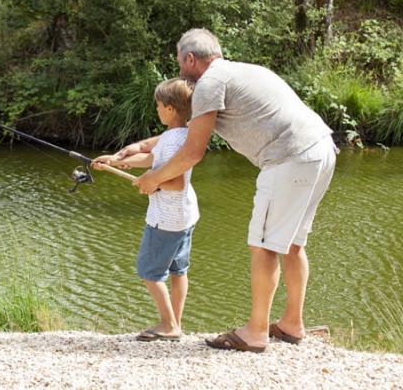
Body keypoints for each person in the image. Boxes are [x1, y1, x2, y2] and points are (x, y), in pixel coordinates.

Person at [123, 28, 336, 353]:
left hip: (287, 158)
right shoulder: (243, 70)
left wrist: (153, 179)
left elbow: (193, 152)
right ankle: (292, 323)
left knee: (263, 246)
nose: (180, 71)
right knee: (292, 243)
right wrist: (135, 149)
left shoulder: (208, 84)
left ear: (190, 59)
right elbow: (184, 133)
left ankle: (256, 332)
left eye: (180, 63)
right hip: (321, 149)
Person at [94, 78, 200, 342]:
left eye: (158, 105)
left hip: (165, 220)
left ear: (171, 109)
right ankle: (175, 322)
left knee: (149, 272)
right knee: (178, 271)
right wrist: (117, 160)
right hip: (184, 217)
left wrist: (151, 184)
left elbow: (174, 182)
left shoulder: (172, 141)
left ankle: (168, 324)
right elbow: (153, 159)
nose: (156, 109)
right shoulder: (183, 136)